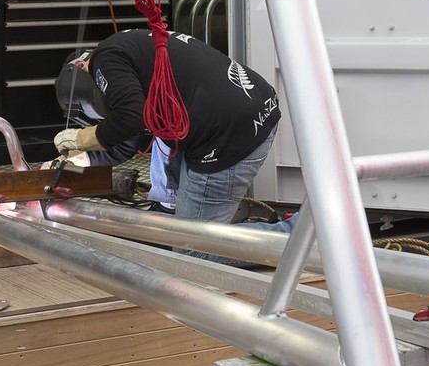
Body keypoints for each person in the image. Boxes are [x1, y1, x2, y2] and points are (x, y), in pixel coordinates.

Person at [51, 28, 286, 264]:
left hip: (229, 135)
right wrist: (80, 159)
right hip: (250, 107)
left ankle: (300, 235)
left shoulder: (105, 60)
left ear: (82, 67)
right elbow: (125, 140)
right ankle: (173, 209)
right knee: (165, 130)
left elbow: (130, 117)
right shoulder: (128, 53)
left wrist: (83, 138)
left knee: (196, 254)